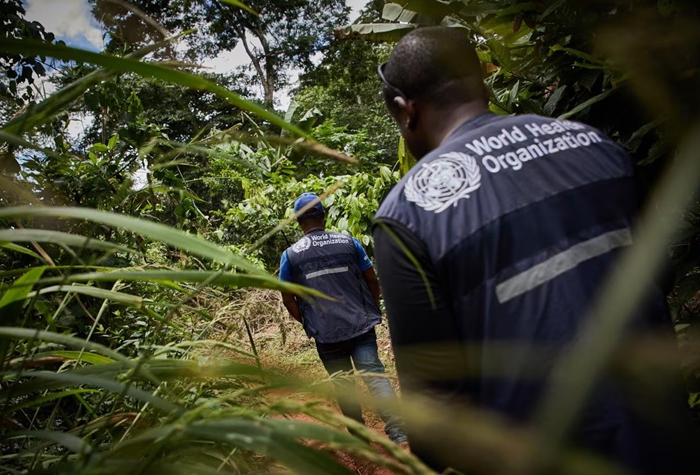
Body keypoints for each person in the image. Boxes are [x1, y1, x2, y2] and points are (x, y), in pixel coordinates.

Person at [372, 26, 697, 474]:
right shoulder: (596, 146)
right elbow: (659, 282)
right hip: (668, 442)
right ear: (481, 84)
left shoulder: (408, 213)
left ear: (404, 110)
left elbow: (436, 421)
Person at [278, 192, 407, 445]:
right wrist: (369, 309)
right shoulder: (349, 242)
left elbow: (288, 299)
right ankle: (399, 433)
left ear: (299, 221)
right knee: (373, 374)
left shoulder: (290, 255)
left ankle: (359, 440)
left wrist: (309, 322)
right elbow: (372, 280)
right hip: (361, 324)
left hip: (326, 333)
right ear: (323, 216)